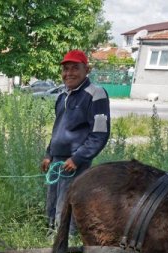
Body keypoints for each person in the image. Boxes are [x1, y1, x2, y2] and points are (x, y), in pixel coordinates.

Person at [40, 49, 110, 234]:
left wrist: (77, 159)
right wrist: (49, 154)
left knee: (66, 204)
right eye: (65, 69)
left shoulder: (96, 94)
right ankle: (48, 237)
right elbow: (58, 129)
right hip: (57, 161)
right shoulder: (63, 96)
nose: (69, 73)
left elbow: (100, 134)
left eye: (74, 68)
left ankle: (65, 241)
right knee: (52, 201)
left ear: (86, 69)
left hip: (74, 162)